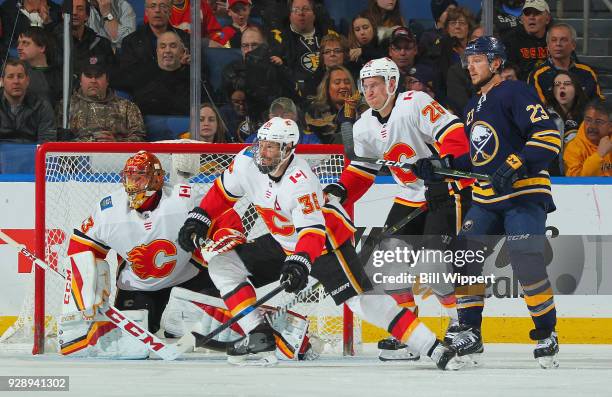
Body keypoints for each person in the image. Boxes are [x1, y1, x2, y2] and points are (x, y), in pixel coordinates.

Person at [177, 117, 466, 370]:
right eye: (260, 144)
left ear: (288, 149)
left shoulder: (301, 182)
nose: (261, 152)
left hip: (326, 243)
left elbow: (312, 232)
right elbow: (222, 192)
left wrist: (299, 263)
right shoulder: (245, 163)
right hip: (284, 241)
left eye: (270, 147)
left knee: (362, 302)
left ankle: (433, 347)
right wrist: (199, 218)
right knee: (223, 265)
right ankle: (258, 334)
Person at [415, 36, 561, 368]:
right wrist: (440, 166)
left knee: (526, 259)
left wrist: (514, 165)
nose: (470, 66)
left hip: (523, 194)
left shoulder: (513, 91)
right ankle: (469, 330)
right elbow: (478, 160)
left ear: (496, 63)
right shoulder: (471, 108)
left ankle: (547, 332)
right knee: (463, 254)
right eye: (468, 60)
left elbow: (548, 136)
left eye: (477, 59)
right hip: (486, 198)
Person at [323, 57, 473, 360]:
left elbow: (454, 133)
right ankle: (412, 336)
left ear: (392, 83)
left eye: (375, 85)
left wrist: (442, 164)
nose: (369, 91)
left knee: (433, 265)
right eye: (365, 86)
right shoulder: (364, 125)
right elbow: (362, 170)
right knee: (389, 261)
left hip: (447, 190)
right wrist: (342, 188)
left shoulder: (414, 103)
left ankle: (462, 328)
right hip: (410, 195)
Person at [62, 151, 221, 356]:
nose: (133, 184)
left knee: (207, 332)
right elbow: (80, 250)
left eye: (140, 177)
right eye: (129, 177)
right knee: (132, 343)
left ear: (157, 179)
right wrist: (88, 292)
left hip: (187, 278)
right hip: (138, 287)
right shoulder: (108, 211)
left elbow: (219, 220)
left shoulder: (183, 199)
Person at [59, 59, 145, 142]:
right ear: (80, 81)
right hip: (78, 155)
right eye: (88, 76)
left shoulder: (127, 107)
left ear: (107, 80)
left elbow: (140, 139)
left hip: (114, 154)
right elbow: (56, 138)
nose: (93, 80)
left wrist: (117, 142)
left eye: (98, 76)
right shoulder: (66, 105)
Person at [270, 0, 337, 99]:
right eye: (296, 10)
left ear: (314, 14)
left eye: (305, 9)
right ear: (290, 15)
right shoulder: (278, 38)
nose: (301, 13)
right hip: (295, 96)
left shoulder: (329, 34)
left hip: (329, 91)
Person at [118, 0, 190, 89]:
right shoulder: (131, 41)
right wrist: (169, 65)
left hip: (180, 92)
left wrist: (184, 68)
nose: (157, 10)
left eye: (163, 6)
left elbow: (201, 74)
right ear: (146, 12)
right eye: (153, 6)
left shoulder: (185, 38)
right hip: (148, 96)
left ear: (170, 11)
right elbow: (127, 78)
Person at [528, 23, 604, 104]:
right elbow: (536, 108)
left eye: (563, 40)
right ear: (548, 46)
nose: (558, 44)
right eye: (554, 40)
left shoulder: (587, 72)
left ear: (573, 45)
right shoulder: (537, 75)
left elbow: (598, 103)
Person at [125, 30, 190, 116]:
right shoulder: (144, 74)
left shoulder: (192, 75)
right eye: (162, 47)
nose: (167, 50)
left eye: (173, 46)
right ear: (157, 51)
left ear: (182, 52)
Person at [53, 0, 117, 82]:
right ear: (63, 15)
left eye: (80, 9)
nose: (74, 13)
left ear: (87, 16)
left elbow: (113, 76)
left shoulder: (101, 44)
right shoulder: (52, 41)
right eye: (70, 9)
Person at [0, 59, 56, 143]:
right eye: (10, 77)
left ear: (27, 81)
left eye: (20, 76)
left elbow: (47, 143)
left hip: (33, 155)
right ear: (2, 81)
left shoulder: (42, 107)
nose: (16, 81)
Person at [305, 65, 360, 143]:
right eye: (337, 83)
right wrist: (347, 118)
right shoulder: (316, 110)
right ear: (327, 87)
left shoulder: (361, 108)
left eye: (347, 82)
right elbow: (332, 141)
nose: (343, 86)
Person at [501, 0, 551, 81]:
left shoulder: (556, 38)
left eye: (537, 13)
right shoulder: (510, 40)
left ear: (547, 19)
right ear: (522, 19)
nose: (531, 17)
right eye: (527, 13)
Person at [563, 99, 612, 176]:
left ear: (610, 127)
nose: (592, 126)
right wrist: (599, 155)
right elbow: (576, 183)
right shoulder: (573, 148)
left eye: (599, 121)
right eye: (588, 120)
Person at [16, 26, 62, 105]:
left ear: (42, 48)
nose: (19, 48)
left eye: (25, 43)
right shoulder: (16, 74)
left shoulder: (60, 75)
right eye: (18, 43)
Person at [545, 70, 587, 144]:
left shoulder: (588, 115)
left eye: (567, 84)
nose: (561, 87)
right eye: (557, 85)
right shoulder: (544, 115)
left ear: (576, 89)